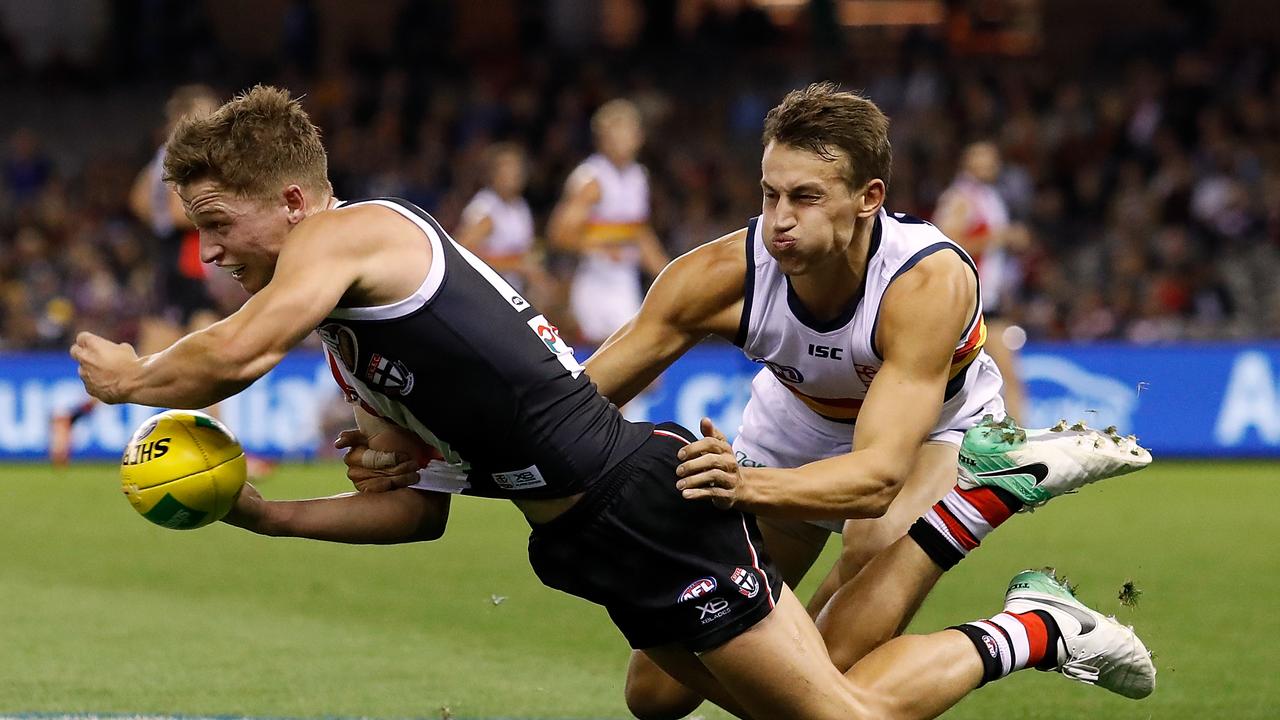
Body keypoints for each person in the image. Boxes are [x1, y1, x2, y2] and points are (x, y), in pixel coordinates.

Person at [71, 85, 1154, 719]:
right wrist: (262, 509)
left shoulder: (355, 236)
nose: (206, 253)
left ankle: (1029, 613)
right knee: (655, 699)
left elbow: (232, 356)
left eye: (218, 223)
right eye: (764, 194)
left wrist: (136, 379)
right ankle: (994, 563)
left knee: (838, 714)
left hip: (670, 497)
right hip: (601, 523)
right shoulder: (357, 349)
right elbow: (426, 504)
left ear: (296, 204)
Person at [570, 84, 1149, 718]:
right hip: (790, 426)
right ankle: (1038, 625)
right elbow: (570, 407)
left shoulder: (926, 280)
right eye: (770, 194)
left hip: (932, 432)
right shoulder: (715, 277)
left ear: (869, 198)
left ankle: (1020, 584)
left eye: (806, 197)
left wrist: (741, 488)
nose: (779, 219)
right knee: (656, 696)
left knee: (832, 659)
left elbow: (875, 480)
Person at [49, 84, 232, 467]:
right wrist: (220, 210)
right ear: (186, 119)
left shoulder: (164, 158)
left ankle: (71, 416)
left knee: (181, 358)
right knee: (206, 355)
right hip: (180, 269)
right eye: (208, 113)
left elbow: (137, 199)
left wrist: (160, 221)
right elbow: (176, 212)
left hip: (181, 268)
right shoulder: (179, 159)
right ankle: (220, 449)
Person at [548, 99, 669, 345]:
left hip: (625, 279)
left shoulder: (638, 177)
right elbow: (558, 233)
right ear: (601, 139)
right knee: (617, 360)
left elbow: (640, 234)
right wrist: (599, 248)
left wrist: (669, 273)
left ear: (639, 137)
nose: (621, 140)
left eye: (626, 133)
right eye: (614, 134)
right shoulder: (591, 179)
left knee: (644, 368)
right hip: (595, 281)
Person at [934, 140, 1029, 420]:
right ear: (968, 163)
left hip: (990, 300)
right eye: (981, 160)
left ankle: (1018, 440)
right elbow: (946, 240)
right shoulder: (960, 198)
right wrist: (1000, 237)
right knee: (1002, 375)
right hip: (967, 300)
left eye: (991, 160)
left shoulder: (989, 197)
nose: (989, 166)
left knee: (1006, 376)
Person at [453, 142, 554, 309]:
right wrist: (516, 266)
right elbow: (461, 255)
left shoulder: (520, 206)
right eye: (506, 168)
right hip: (483, 297)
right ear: (492, 173)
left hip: (512, 295)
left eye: (517, 168)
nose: (514, 174)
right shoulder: (486, 210)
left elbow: (525, 254)